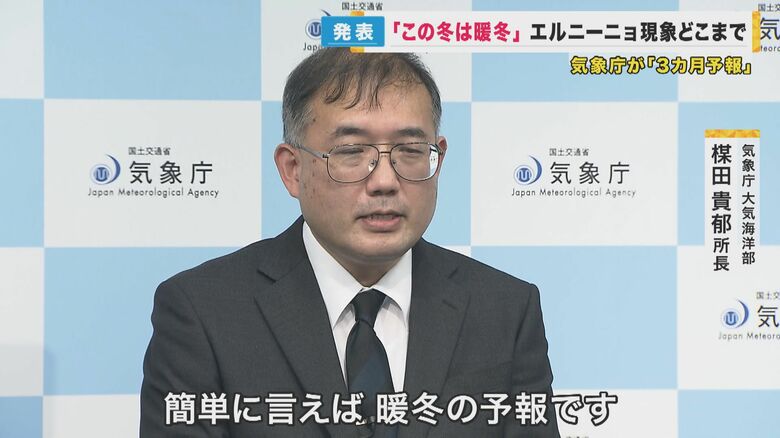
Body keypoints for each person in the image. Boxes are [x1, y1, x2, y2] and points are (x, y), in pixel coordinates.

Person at [140, 48, 560, 437]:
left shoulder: (504, 309)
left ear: (438, 159)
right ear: (292, 169)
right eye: (351, 152)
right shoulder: (204, 312)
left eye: (410, 150)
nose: (384, 181)